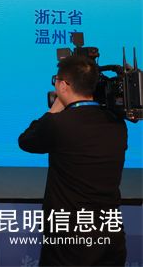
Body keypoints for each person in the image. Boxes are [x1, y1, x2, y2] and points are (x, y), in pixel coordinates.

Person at [18, 55, 127, 266]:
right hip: (111, 236)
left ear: (63, 85)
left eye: (56, 80)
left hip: (69, 240)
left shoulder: (58, 123)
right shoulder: (117, 124)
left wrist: (54, 109)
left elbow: (26, 141)